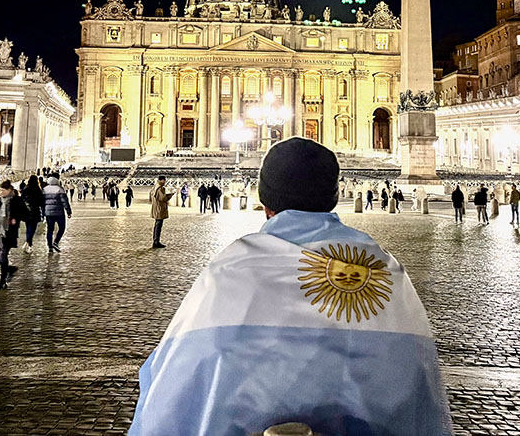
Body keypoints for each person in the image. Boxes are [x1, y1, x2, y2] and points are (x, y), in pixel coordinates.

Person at [128, 137, 451, 435]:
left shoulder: (233, 267)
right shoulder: (384, 268)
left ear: (264, 200)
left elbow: (176, 375)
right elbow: (416, 382)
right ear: (334, 197)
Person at [43, 176, 72, 253]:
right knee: (62, 227)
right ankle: (56, 242)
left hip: (48, 213)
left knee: (50, 230)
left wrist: (43, 213)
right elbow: (65, 202)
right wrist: (68, 211)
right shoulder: (60, 189)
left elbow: (42, 203)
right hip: (59, 213)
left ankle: (50, 247)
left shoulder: (45, 190)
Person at [22, 174, 45, 253]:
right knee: (32, 229)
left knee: (28, 228)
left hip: (26, 211)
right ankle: (28, 242)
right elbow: (41, 202)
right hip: (35, 211)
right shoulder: (38, 190)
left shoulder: (25, 189)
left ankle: (29, 244)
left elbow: (22, 199)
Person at [150, 176, 176, 248]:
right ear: (161, 180)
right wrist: (170, 195)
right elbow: (163, 198)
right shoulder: (160, 188)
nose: (165, 182)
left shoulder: (155, 187)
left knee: (157, 225)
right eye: (164, 181)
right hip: (159, 208)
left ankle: (156, 241)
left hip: (156, 207)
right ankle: (156, 242)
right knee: (158, 225)